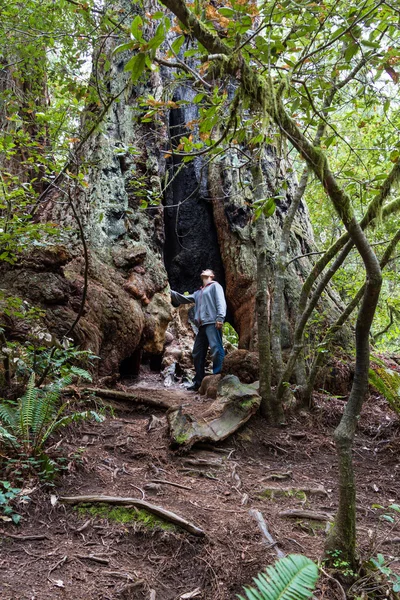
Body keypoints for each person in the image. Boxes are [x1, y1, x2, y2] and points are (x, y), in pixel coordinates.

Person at [171, 269, 227, 391]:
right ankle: (198, 382)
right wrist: (168, 290)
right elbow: (182, 298)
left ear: (212, 275)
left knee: (216, 348)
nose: (202, 271)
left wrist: (220, 318)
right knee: (197, 353)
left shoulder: (215, 286)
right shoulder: (198, 293)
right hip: (202, 326)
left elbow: (220, 302)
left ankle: (218, 377)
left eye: (206, 270)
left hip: (212, 322)